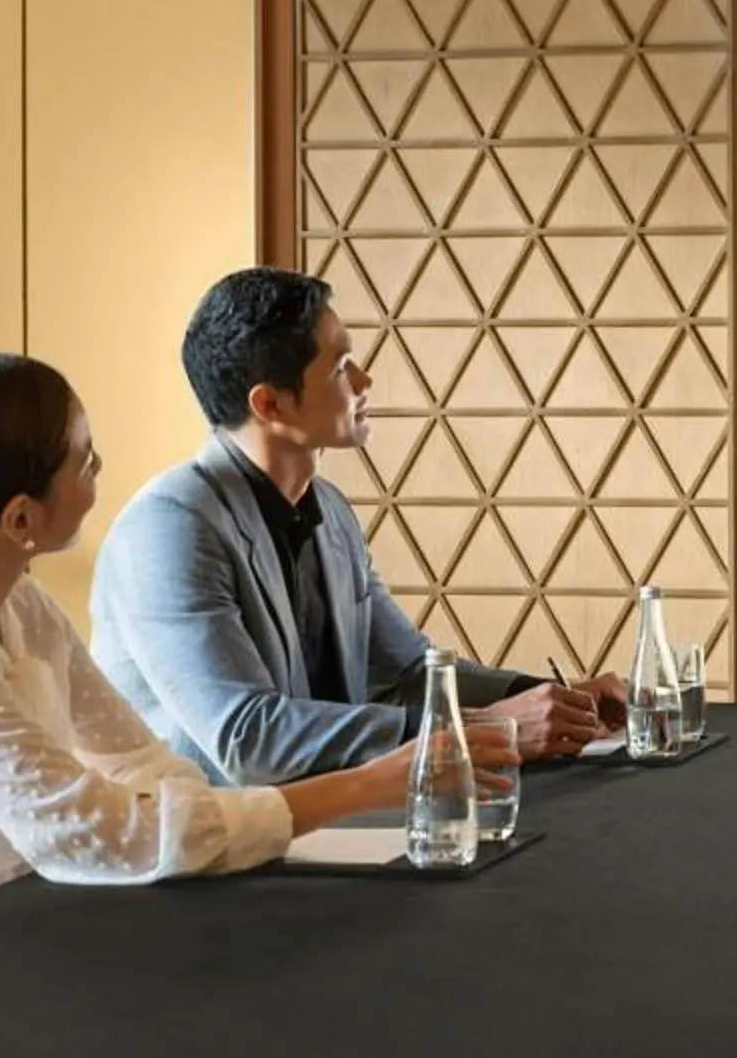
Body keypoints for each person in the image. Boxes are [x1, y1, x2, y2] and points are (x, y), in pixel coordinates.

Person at [0, 354, 438, 974]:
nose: (99, 469)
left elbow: (140, 762)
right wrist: (357, 788)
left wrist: (220, 824)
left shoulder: (19, 603)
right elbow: (88, 831)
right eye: (84, 461)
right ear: (21, 519)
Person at [89, 268, 617, 786]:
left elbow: (406, 673)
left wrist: (555, 698)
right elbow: (247, 739)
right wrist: (495, 727)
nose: (364, 381)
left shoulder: (329, 509)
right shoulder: (168, 527)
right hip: (199, 838)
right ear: (269, 403)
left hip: (323, 816)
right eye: (341, 367)